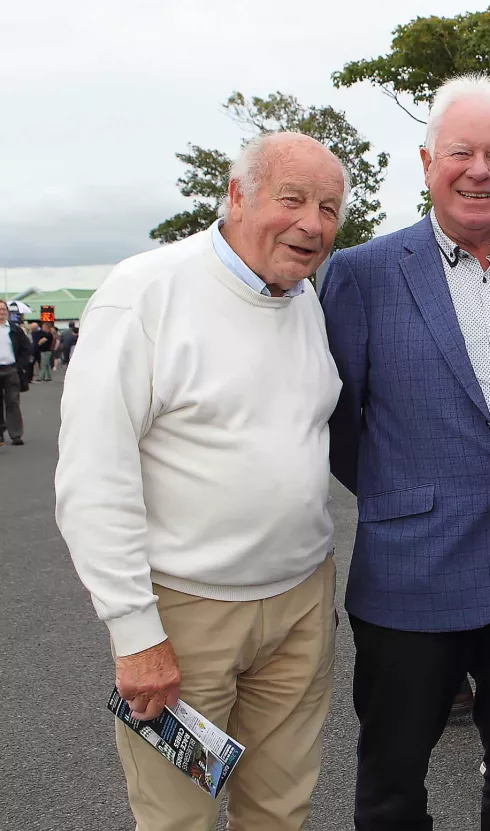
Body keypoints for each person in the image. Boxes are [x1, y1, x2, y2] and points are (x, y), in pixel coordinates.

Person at [56, 131, 347, 831]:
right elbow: (94, 472)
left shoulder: (302, 298)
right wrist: (135, 632)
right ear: (238, 195)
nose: (312, 222)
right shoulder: (147, 292)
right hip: (186, 621)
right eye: (293, 198)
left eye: (330, 207)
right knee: (178, 816)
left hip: (299, 605)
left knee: (280, 807)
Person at [319, 73, 490, 831]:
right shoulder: (365, 273)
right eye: (461, 153)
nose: (479, 170)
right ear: (426, 160)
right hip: (410, 572)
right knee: (393, 780)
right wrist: (399, 493)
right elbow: (336, 416)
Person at [0, 302, 31, 446]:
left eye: (3, 309)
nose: (1, 312)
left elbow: (26, 348)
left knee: (12, 401)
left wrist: (20, 366)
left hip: (11, 369)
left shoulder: (15, 330)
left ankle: (16, 434)